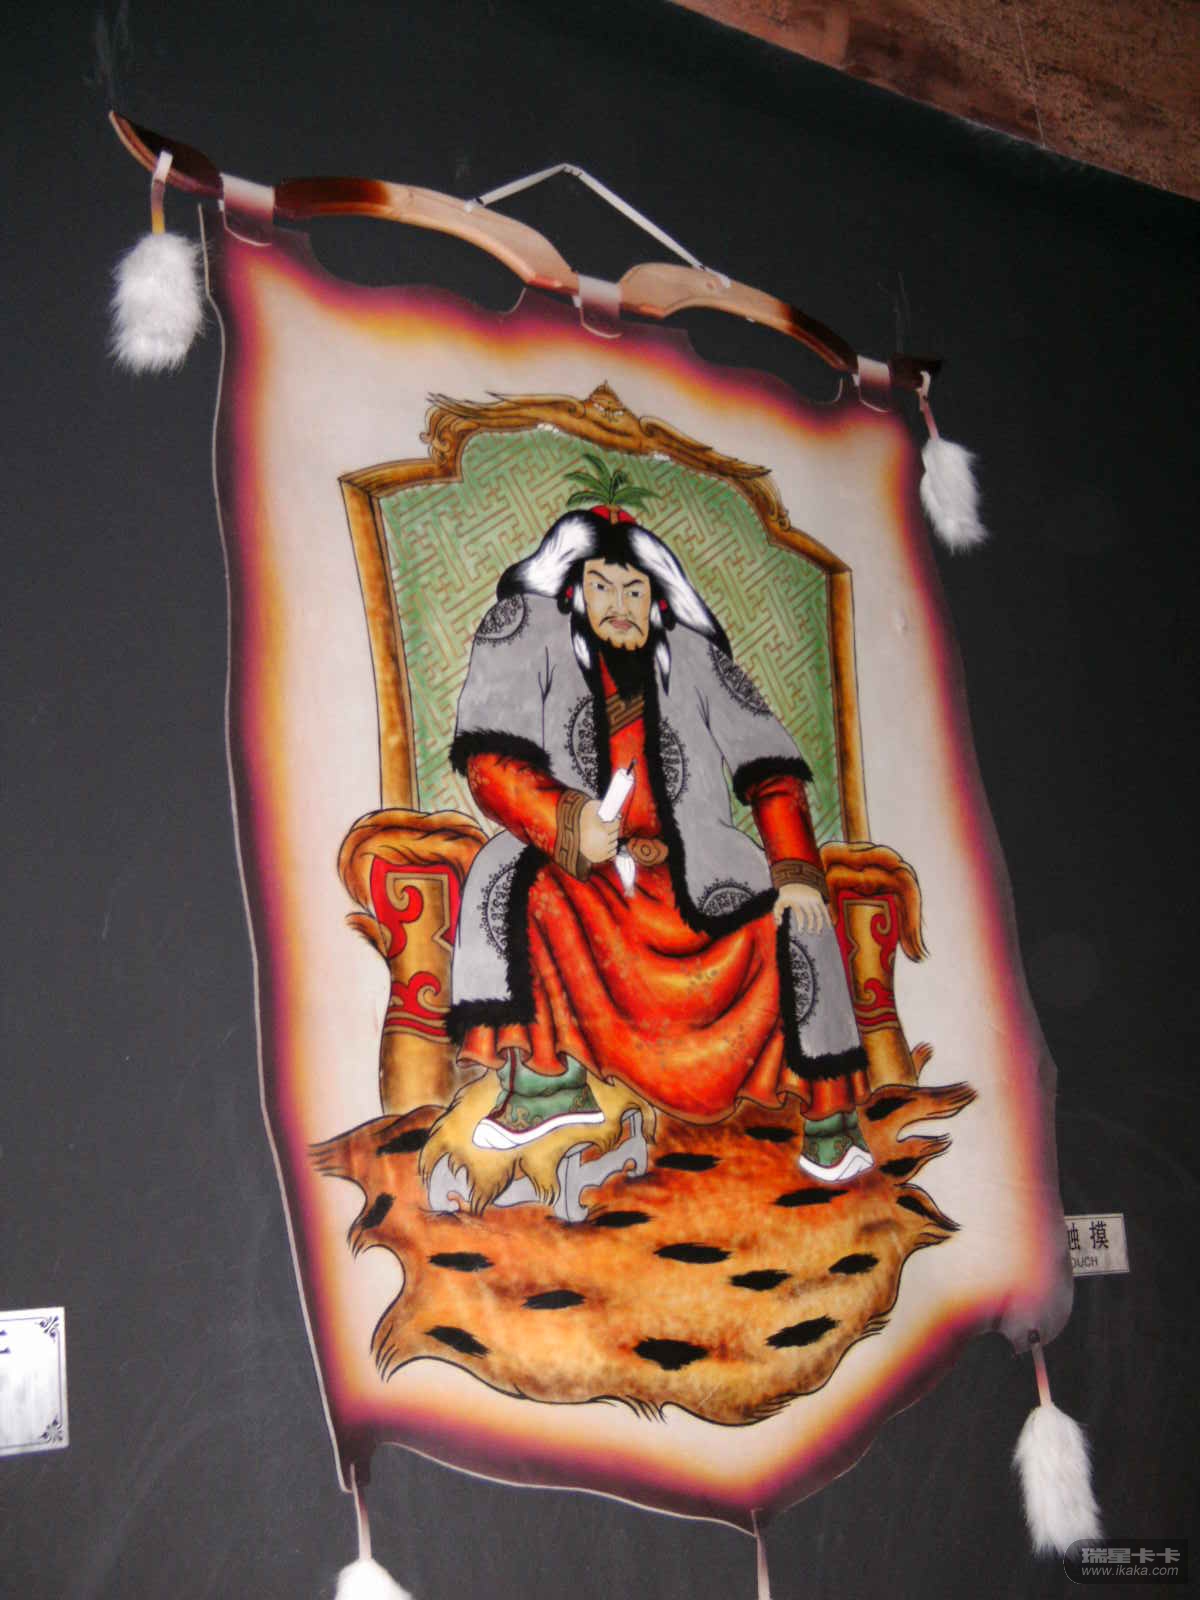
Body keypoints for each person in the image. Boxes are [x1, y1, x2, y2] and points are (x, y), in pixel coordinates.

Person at [446, 501, 874, 1184]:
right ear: (573, 592)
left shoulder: (696, 661)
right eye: (602, 587)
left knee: (797, 913)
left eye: (634, 590)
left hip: (697, 879)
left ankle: (831, 1119)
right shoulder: (534, 642)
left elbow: (772, 771)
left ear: (659, 599)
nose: (620, 605)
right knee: (515, 879)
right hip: (587, 879)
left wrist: (795, 871)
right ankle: (548, 1084)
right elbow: (490, 764)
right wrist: (569, 819)